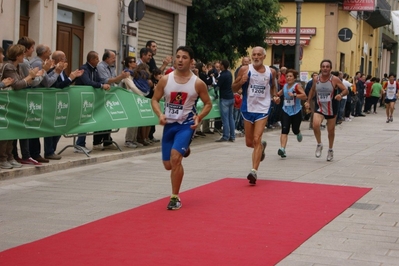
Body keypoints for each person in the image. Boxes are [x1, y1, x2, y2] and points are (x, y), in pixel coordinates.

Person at [151, 46, 212, 210]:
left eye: (184, 57)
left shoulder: (198, 83)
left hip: (186, 124)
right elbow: (155, 99)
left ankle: (174, 197)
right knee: (168, 165)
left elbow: (208, 104)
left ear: (191, 61)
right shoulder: (166, 79)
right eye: (178, 56)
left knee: (175, 158)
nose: (180, 60)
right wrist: (160, 114)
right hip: (169, 124)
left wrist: (199, 117)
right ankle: (184, 149)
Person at [232, 46, 278, 185]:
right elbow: (233, 88)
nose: (256, 57)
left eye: (259, 55)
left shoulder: (271, 72)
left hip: (263, 108)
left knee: (257, 138)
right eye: (254, 55)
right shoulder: (245, 70)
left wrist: (275, 97)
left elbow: (273, 87)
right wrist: (241, 81)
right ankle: (261, 148)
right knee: (249, 143)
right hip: (248, 108)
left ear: (264, 57)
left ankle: (253, 171)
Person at [1, 44, 44, 166]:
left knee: (12, 131)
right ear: (18, 55)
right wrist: (30, 77)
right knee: (6, 130)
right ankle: (3, 158)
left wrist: (32, 77)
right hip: (7, 102)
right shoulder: (9, 66)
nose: (24, 56)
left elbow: (21, 81)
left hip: (13, 103)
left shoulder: (17, 66)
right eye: (22, 54)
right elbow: (17, 84)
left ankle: (10, 156)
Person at [305, 59, 348, 162]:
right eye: (323, 66)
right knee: (315, 125)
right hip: (319, 107)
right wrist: (308, 101)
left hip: (331, 107)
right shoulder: (316, 79)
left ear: (330, 68)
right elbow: (312, 90)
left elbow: (346, 90)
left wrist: (340, 95)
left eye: (327, 66)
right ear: (320, 68)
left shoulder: (335, 79)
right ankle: (319, 144)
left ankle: (330, 149)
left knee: (331, 131)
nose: (325, 68)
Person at [74, 51, 111, 153]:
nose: (98, 61)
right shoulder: (84, 69)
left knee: (87, 121)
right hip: (81, 99)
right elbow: (88, 82)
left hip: (90, 99)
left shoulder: (94, 69)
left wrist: (103, 84)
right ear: (91, 60)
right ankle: (79, 144)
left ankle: (81, 144)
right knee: (83, 121)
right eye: (96, 59)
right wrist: (101, 86)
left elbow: (99, 80)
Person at [275, 69, 307, 158]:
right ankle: (282, 149)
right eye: (287, 76)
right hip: (285, 111)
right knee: (284, 130)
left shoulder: (297, 86)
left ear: (294, 78)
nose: (288, 78)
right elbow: (278, 95)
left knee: (294, 129)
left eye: (290, 76)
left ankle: (298, 132)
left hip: (296, 111)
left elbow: (304, 96)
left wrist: (295, 95)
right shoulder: (284, 86)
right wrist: (276, 99)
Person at [215, 59, 235, 142]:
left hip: (224, 98)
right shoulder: (229, 73)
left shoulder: (222, 75)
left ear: (223, 66)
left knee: (225, 118)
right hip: (231, 97)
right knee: (231, 117)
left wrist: (215, 85)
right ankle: (232, 136)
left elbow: (217, 87)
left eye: (220, 64)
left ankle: (225, 136)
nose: (219, 65)